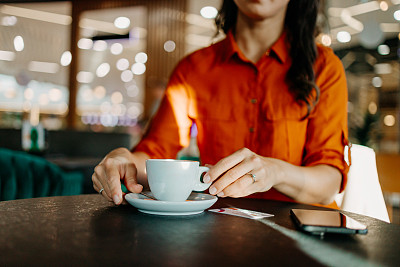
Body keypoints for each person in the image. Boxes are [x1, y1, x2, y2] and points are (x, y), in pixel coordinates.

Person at [92, 0, 349, 208]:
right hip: (218, 231)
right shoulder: (194, 70)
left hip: (300, 235)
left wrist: (276, 171)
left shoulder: (324, 67)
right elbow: (154, 155)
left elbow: (328, 186)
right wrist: (122, 160)